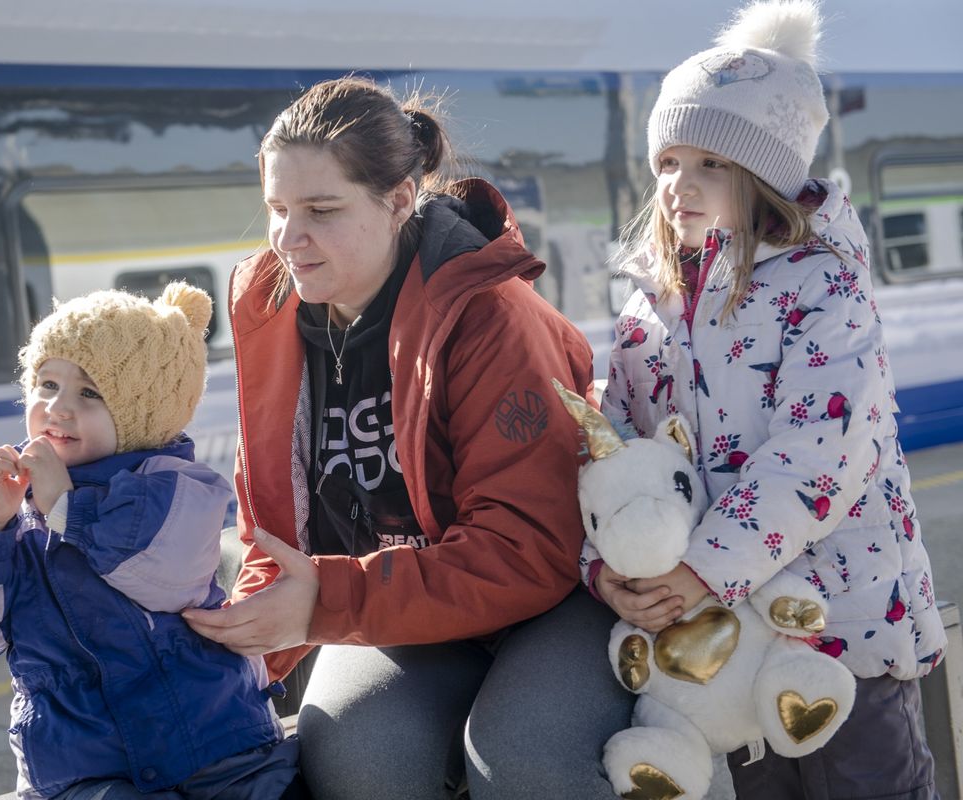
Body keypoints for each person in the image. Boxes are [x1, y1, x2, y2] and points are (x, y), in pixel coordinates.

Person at [180, 76, 631, 799]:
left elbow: (527, 552)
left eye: (321, 211)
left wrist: (326, 599)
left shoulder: (492, 320)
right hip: (404, 602)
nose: (288, 239)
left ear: (398, 200)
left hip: (561, 601)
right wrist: (225, 660)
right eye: (276, 209)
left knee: (519, 759)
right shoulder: (274, 317)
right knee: (354, 754)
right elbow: (278, 534)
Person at [587, 2, 946, 798]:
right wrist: (604, 568)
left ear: (765, 178)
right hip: (726, 648)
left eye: (712, 164)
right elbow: (616, 455)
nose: (680, 184)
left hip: (838, 624)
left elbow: (819, 458)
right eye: (670, 161)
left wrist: (704, 570)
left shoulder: (823, 287)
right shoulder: (650, 308)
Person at [0, 285, 300, 800]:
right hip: (82, 769)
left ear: (144, 412)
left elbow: (168, 574)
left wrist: (69, 510)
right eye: (46, 384)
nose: (57, 408)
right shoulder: (9, 510)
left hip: (219, 743)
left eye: (90, 393)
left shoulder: (176, 485)